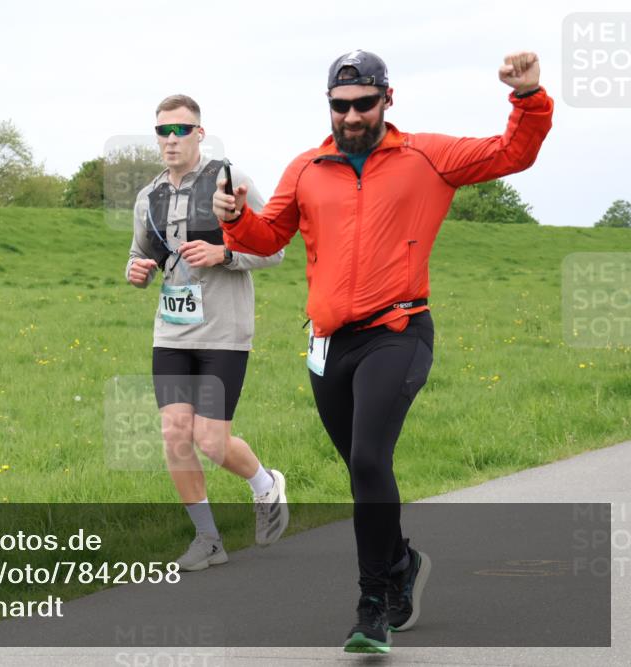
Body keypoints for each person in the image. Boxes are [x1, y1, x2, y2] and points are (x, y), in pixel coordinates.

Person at [213, 50, 552, 652]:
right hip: (328, 344)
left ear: (386, 100)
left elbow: (513, 153)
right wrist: (237, 219)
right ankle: (401, 562)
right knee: (362, 470)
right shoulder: (307, 168)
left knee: (369, 460)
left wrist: (527, 98)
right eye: (340, 106)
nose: (351, 116)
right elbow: (270, 237)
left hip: (398, 332)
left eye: (362, 103)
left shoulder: (427, 155)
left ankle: (373, 606)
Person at [126, 94, 288, 572]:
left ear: (200, 132)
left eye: (181, 130)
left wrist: (225, 255)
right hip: (172, 333)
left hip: (223, 332)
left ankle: (265, 484)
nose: (171, 139)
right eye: (163, 131)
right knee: (175, 435)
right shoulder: (148, 195)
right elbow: (141, 255)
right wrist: (136, 272)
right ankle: (208, 540)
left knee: (212, 442)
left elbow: (274, 248)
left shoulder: (230, 182)